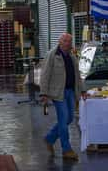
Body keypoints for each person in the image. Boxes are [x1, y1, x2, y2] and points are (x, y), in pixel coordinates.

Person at [40, 32, 87, 161]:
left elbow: (77, 75)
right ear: (60, 42)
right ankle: (66, 149)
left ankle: (50, 138)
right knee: (63, 119)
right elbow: (45, 74)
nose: (68, 43)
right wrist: (43, 93)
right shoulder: (52, 55)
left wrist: (82, 90)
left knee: (69, 118)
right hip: (57, 93)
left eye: (69, 41)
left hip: (71, 91)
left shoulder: (72, 57)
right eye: (65, 41)